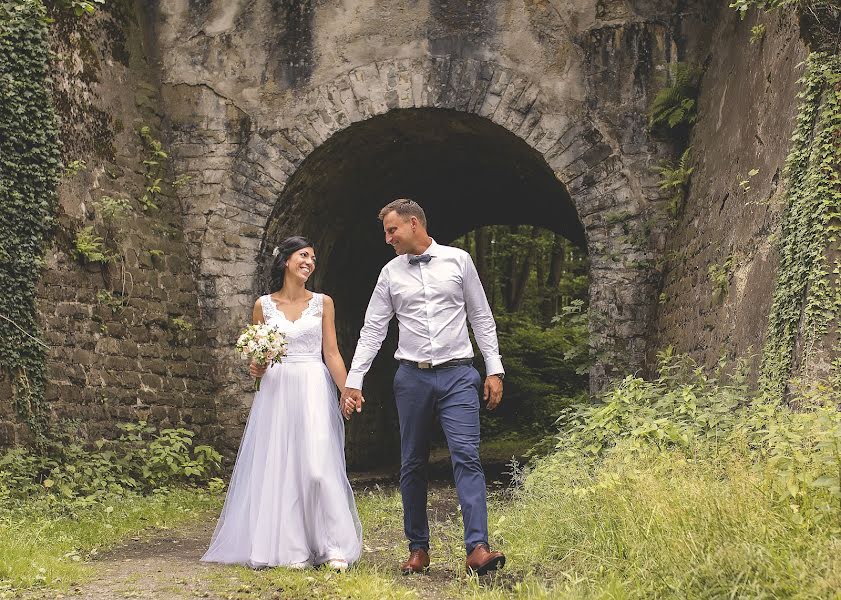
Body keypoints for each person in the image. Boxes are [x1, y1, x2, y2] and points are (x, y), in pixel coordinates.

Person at [341, 199, 506, 576]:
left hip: (459, 375)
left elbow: (481, 316)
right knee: (412, 463)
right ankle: (418, 549)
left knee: (466, 456)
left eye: (392, 230)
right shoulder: (389, 273)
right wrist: (354, 380)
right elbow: (373, 330)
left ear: (414, 224)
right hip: (411, 377)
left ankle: (477, 548)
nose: (388, 239)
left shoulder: (458, 261)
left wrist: (493, 369)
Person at [201, 236, 362, 571]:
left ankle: (332, 545)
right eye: (304, 255)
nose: (310, 262)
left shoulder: (323, 303)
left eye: (314, 258)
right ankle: (292, 549)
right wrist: (255, 366)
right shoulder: (263, 305)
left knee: (318, 466)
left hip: (312, 384)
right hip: (276, 388)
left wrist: (347, 390)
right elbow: (257, 359)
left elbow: (330, 353)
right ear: (286, 260)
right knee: (282, 466)